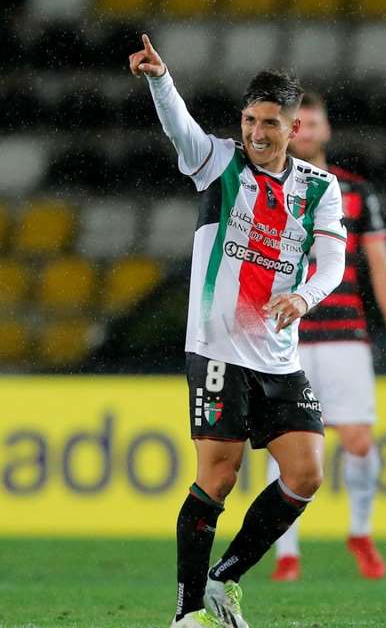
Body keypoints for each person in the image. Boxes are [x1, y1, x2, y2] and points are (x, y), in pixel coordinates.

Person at [128, 35, 346, 628]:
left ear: (294, 128)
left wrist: (304, 296)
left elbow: (332, 263)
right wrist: (159, 79)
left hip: (279, 356)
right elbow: (182, 130)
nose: (256, 132)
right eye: (249, 119)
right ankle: (187, 612)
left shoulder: (321, 190)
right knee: (217, 479)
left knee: (306, 474)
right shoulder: (219, 163)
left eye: (269, 123)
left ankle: (225, 580)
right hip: (218, 348)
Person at [265, 92, 386, 582]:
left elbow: (381, 265)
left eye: (314, 122)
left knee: (358, 440)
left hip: (345, 333)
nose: (306, 130)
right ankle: (286, 553)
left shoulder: (355, 191)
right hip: (284, 335)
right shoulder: (263, 187)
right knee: (286, 445)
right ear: (288, 130)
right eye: (298, 122)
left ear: (326, 130)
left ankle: (360, 532)